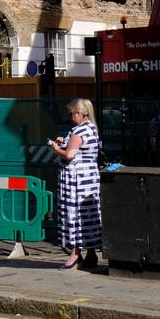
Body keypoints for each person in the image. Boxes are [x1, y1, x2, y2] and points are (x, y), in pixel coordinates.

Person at [48, 99, 102, 270]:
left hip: (76, 180)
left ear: (79, 113)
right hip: (89, 179)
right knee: (88, 216)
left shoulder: (78, 131)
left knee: (75, 214)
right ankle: (91, 254)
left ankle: (75, 255)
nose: (71, 116)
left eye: (72, 113)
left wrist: (56, 148)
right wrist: (64, 140)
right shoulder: (92, 129)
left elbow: (69, 154)